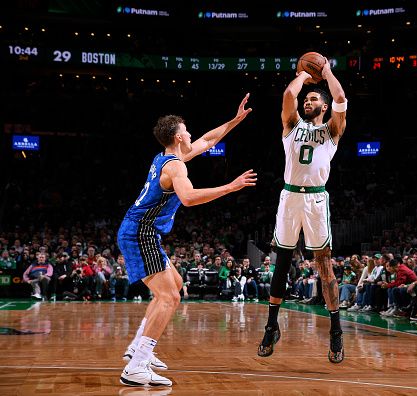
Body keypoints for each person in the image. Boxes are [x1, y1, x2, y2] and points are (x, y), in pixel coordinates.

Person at [118, 94, 256, 387]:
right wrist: (230, 187)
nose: (191, 133)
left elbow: (207, 140)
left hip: (142, 231)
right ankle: (138, 363)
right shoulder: (175, 167)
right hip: (139, 233)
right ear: (179, 136)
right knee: (170, 297)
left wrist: (235, 120)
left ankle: (136, 348)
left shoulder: (168, 156)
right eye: (187, 130)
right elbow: (189, 198)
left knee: (175, 285)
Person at [257, 57, 348, 363]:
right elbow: (287, 97)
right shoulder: (292, 125)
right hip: (290, 197)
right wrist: (300, 76)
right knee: (281, 263)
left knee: (324, 267)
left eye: (313, 99)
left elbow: (339, 97)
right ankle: (271, 326)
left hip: (316, 201)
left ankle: (336, 331)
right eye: (306, 99)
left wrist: (326, 73)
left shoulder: (333, 130)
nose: (307, 101)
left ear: (323, 106)